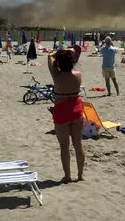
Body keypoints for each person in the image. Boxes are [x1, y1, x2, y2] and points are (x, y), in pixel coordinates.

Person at [47, 47, 85, 183]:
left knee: (64, 146)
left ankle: (67, 175)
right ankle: (80, 175)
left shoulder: (56, 76)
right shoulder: (78, 75)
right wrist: (68, 52)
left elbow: (49, 57)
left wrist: (56, 52)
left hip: (62, 110)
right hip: (76, 108)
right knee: (78, 144)